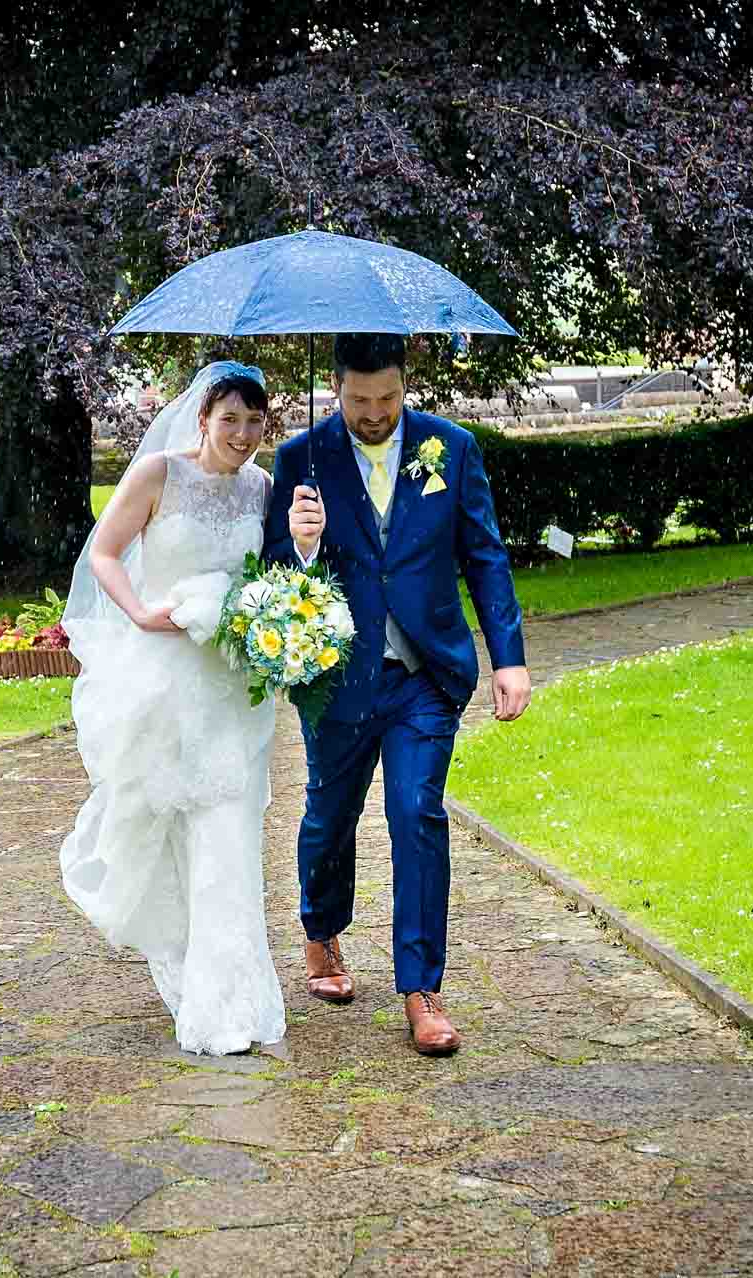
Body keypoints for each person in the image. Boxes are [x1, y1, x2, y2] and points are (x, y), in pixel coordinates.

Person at [263, 332, 530, 1056]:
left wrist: (510, 659)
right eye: (358, 401)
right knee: (329, 816)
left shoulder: (452, 449)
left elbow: (485, 556)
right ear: (339, 387)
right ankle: (322, 931)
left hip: (424, 677)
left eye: (386, 399)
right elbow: (275, 577)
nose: (373, 413)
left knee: (416, 813)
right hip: (339, 680)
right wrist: (304, 542)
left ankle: (422, 990)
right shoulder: (301, 460)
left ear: (404, 387)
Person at [59, 361, 286, 1055]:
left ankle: (230, 999)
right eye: (230, 420)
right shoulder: (158, 473)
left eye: (254, 421)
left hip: (231, 684)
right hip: (164, 679)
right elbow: (103, 553)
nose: (243, 435)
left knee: (229, 829)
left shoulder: (263, 488)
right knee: (165, 832)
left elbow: (269, 576)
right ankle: (190, 969)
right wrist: (139, 614)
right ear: (203, 417)